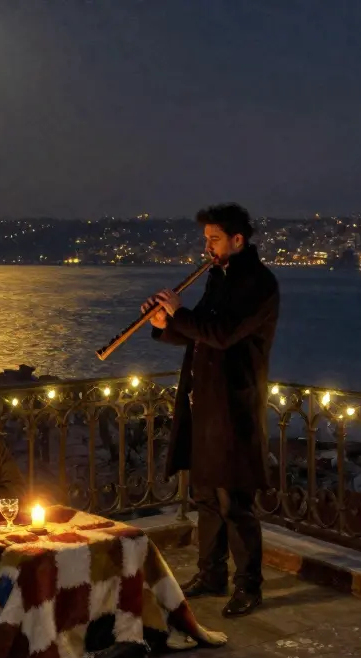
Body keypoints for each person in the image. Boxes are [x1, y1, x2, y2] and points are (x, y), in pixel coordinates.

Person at [142, 202, 279, 617]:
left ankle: (249, 586)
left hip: (234, 407)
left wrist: (179, 312)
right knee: (204, 496)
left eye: (214, 239)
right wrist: (165, 323)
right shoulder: (218, 279)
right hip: (203, 404)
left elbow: (219, 334)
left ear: (238, 240)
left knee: (233, 500)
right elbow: (196, 330)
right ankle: (211, 573)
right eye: (206, 240)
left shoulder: (258, 283)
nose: (208, 247)